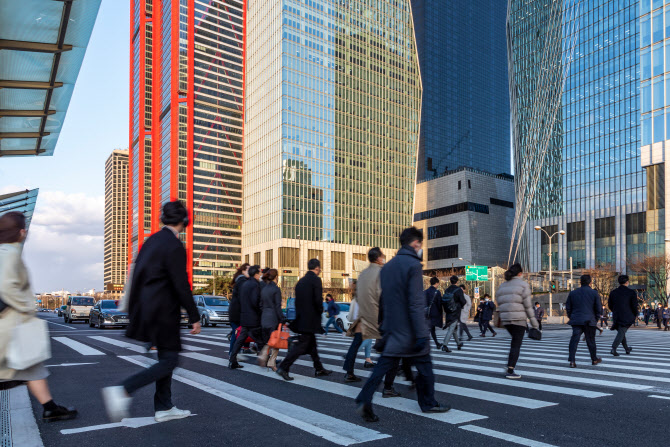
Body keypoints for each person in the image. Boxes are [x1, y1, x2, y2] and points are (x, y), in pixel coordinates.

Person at [103, 200, 201, 422]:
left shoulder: (151, 242)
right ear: (184, 221)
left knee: (166, 357)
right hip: (163, 311)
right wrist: (194, 317)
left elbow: (137, 277)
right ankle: (124, 389)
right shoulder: (174, 246)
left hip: (148, 310)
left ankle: (164, 407)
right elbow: (181, 284)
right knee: (170, 361)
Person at [355, 227, 450, 422]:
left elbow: (383, 300)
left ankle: (365, 397)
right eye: (420, 244)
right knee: (425, 369)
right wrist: (422, 333)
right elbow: (416, 302)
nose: (420, 248)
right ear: (415, 243)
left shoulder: (388, 267)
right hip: (410, 330)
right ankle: (428, 403)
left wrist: (383, 323)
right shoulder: (413, 265)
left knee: (381, 367)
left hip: (392, 329)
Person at [0, 211, 77, 422]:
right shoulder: (8, 253)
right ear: (21, 232)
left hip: (12, 325)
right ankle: (50, 408)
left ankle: (50, 407)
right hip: (8, 324)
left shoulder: (6, 251)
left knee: (32, 366)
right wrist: (27, 307)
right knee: (23, 365)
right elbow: (6, 286)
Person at [276, 259, 331, 380]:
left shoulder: (300, 282)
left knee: (312, 345)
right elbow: (317, 299)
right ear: (317, 268)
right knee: (302, 345)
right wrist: (320, 309)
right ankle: (284, 367)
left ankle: (319, 368)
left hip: (302, 317)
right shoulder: (316, 280)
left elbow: (297, 302)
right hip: (311, 318)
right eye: (319, 268)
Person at [496, 263, 539, 379]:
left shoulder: (502, 286)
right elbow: (528, 306)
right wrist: (535, 323)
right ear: (520, 273)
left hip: (506, 320)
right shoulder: (523, 285)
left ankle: (510, 365)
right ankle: (510, 370)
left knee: (514, 343)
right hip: (519, 320)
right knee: (516, 345)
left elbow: (499, 300)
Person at [228, 265, 265, 369]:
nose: (260, 275)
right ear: (256, 274)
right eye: (259, 273)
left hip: (244, 316)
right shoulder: (255, 285)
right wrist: (260, 311)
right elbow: (255, 302)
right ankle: (267, 360)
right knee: (260, 340)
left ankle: (232, 360)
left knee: (240, 340)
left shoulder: (245, 284)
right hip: (253, 318)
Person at [565, 275, 603, 368]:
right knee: (591, 340)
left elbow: (568, 307)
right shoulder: (594, 293)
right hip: (589, 321)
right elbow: (599, 309)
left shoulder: (573, 293)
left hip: (576, 320)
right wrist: (596, 319)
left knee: (574, 340)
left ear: (580, 282)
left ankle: (572, 361)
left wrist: (571, 317)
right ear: (590, 282)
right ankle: (594, 359)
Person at [258, 269, 285, 371]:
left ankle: (265, 354)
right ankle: (270, 361)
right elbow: (278, 306)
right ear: (276, 277)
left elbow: (260, 305)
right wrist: (282, 318)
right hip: (273, 317)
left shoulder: (264, 289)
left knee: (269, 340)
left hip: (264, 317)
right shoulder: (275, 289)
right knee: (276, 341)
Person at [608, 275, 637, 356]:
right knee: (621, 332)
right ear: (627, 282)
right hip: (627, 316)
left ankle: (627, 349)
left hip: (617, 316)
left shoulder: (613, 292)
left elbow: (610, 305)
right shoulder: (631, 292)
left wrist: (615, 311)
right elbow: (634, 305)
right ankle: (614, 348)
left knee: (621, 332)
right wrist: (635, 314)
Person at [440, 276, 466, 352]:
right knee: (452, 328)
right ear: (457, 282)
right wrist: (460, 306)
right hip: (455, 312)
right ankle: (444, 345)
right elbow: (463, 301)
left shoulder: (447, 290)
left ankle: (458, 343)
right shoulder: (458, 290)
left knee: (454, 328)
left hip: (448, 311)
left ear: (450, 281)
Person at [228, 263, 250, 354]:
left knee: (238, 333)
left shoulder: (241, 280)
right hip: (237, 313)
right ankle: (232, 354)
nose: (250, 272)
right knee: (237, 333)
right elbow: (243, 298)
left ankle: (240, 350)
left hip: (236, 312)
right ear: (243, 271)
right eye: (248, 270)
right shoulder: (242, 281)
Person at [425, 277, 443, 349]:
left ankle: (437, 343)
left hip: (426, 313)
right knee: (430, 329)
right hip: (434, 313)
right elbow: (439, 304)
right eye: (438, 283)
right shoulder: (437, 292)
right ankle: (424, 345)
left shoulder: (425, 292)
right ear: (436, 283)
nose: (438, 284)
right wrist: (440, 312)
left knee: (431, 329)